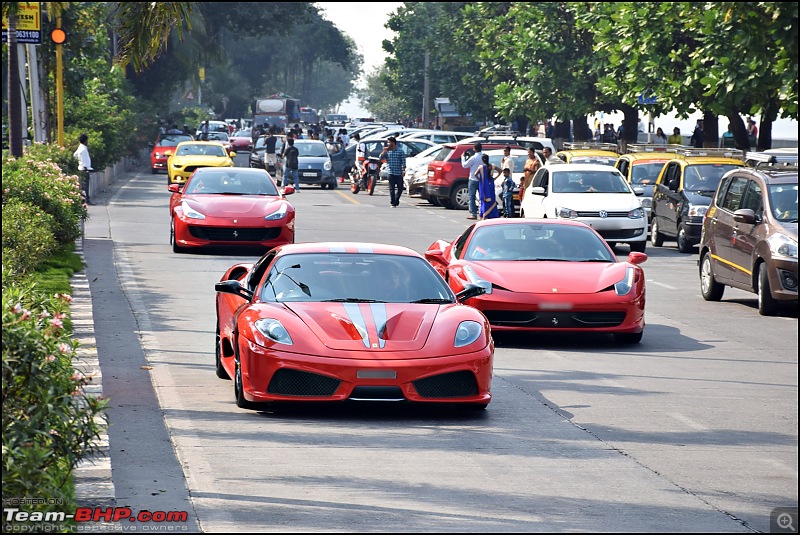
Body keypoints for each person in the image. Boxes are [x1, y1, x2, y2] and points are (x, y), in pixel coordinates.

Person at [381, 136, 406, 208]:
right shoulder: (387, 151)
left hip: (398, 172)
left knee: (400, 188)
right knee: (391, 188)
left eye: (389, 142)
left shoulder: (400, 151)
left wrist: (403, 170)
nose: (388, 144)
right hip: (390, 172)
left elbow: (403, 161)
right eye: (387, 142)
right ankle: (393, 202)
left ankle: (396, 199)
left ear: (393, 143)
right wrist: (384, 151)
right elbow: (380, 157)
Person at [461, 142, 484, 220]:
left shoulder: (473, 158)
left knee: (472, 196)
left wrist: (463, 157)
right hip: (481, 179)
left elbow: (465, 165)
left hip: (473, 178)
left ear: (474, 148)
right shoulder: (483, 156)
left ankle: (473, 213)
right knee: (482, 197)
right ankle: (483, 212)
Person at [477, 154, 499, 220]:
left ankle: (484, 215)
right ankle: (493, 215)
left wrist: (480, 180)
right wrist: (494, 178)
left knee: (485, 200)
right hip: (491, 185)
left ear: (482, 160)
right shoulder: (492, 166)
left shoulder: (481, 167)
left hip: (484, 186)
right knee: (492, 200)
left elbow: (475, 174)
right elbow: (500, 171)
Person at [73, 133, 93, 205]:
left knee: (82, 185)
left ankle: (83, 199)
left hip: (81, 168)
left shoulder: (80, 148)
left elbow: (74, 155)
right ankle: (86, 200)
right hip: (84, 169)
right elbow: (84, 160)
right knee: (85, 186)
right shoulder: (83, 149)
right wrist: (85, 168)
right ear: (85, 141)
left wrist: (79, 162)